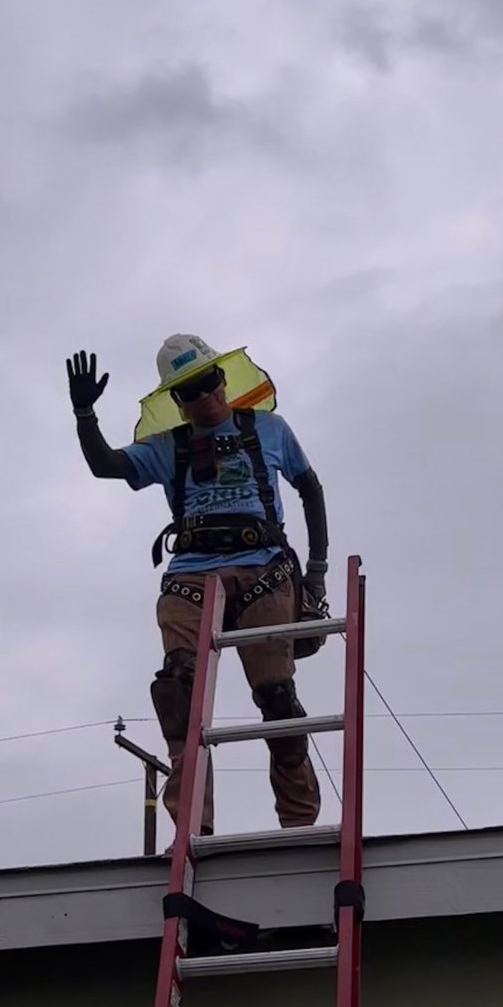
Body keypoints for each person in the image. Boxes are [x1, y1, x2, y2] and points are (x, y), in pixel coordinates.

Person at [67, 334, 330, 837]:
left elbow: (309, 487)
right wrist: (85, 416)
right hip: (191, 574)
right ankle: (192, 830)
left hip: (264, 569)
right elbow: (107, 465)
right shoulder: (168, 448)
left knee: (276, 698)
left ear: (223, 379)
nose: (204, 395)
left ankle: (297, 826)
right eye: (189, 390)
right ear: (177, 401)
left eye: (208, 382)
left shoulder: (268, 430)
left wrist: (315, 573)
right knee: (179, 692)